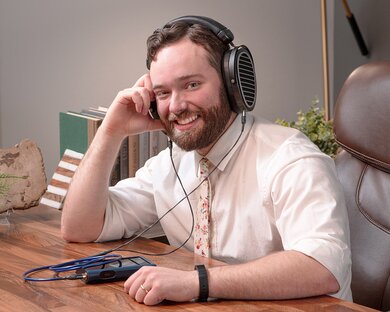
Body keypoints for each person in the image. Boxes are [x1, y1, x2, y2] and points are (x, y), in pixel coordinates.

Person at [61, 16, 352, 306]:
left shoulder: (291, 159)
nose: (175, 106)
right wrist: (112, 131)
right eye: (162, 92)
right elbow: (80, 227)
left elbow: (323, 266)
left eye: (191, 85)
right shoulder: (170, 165)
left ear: (231, 83)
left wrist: (196, 282)